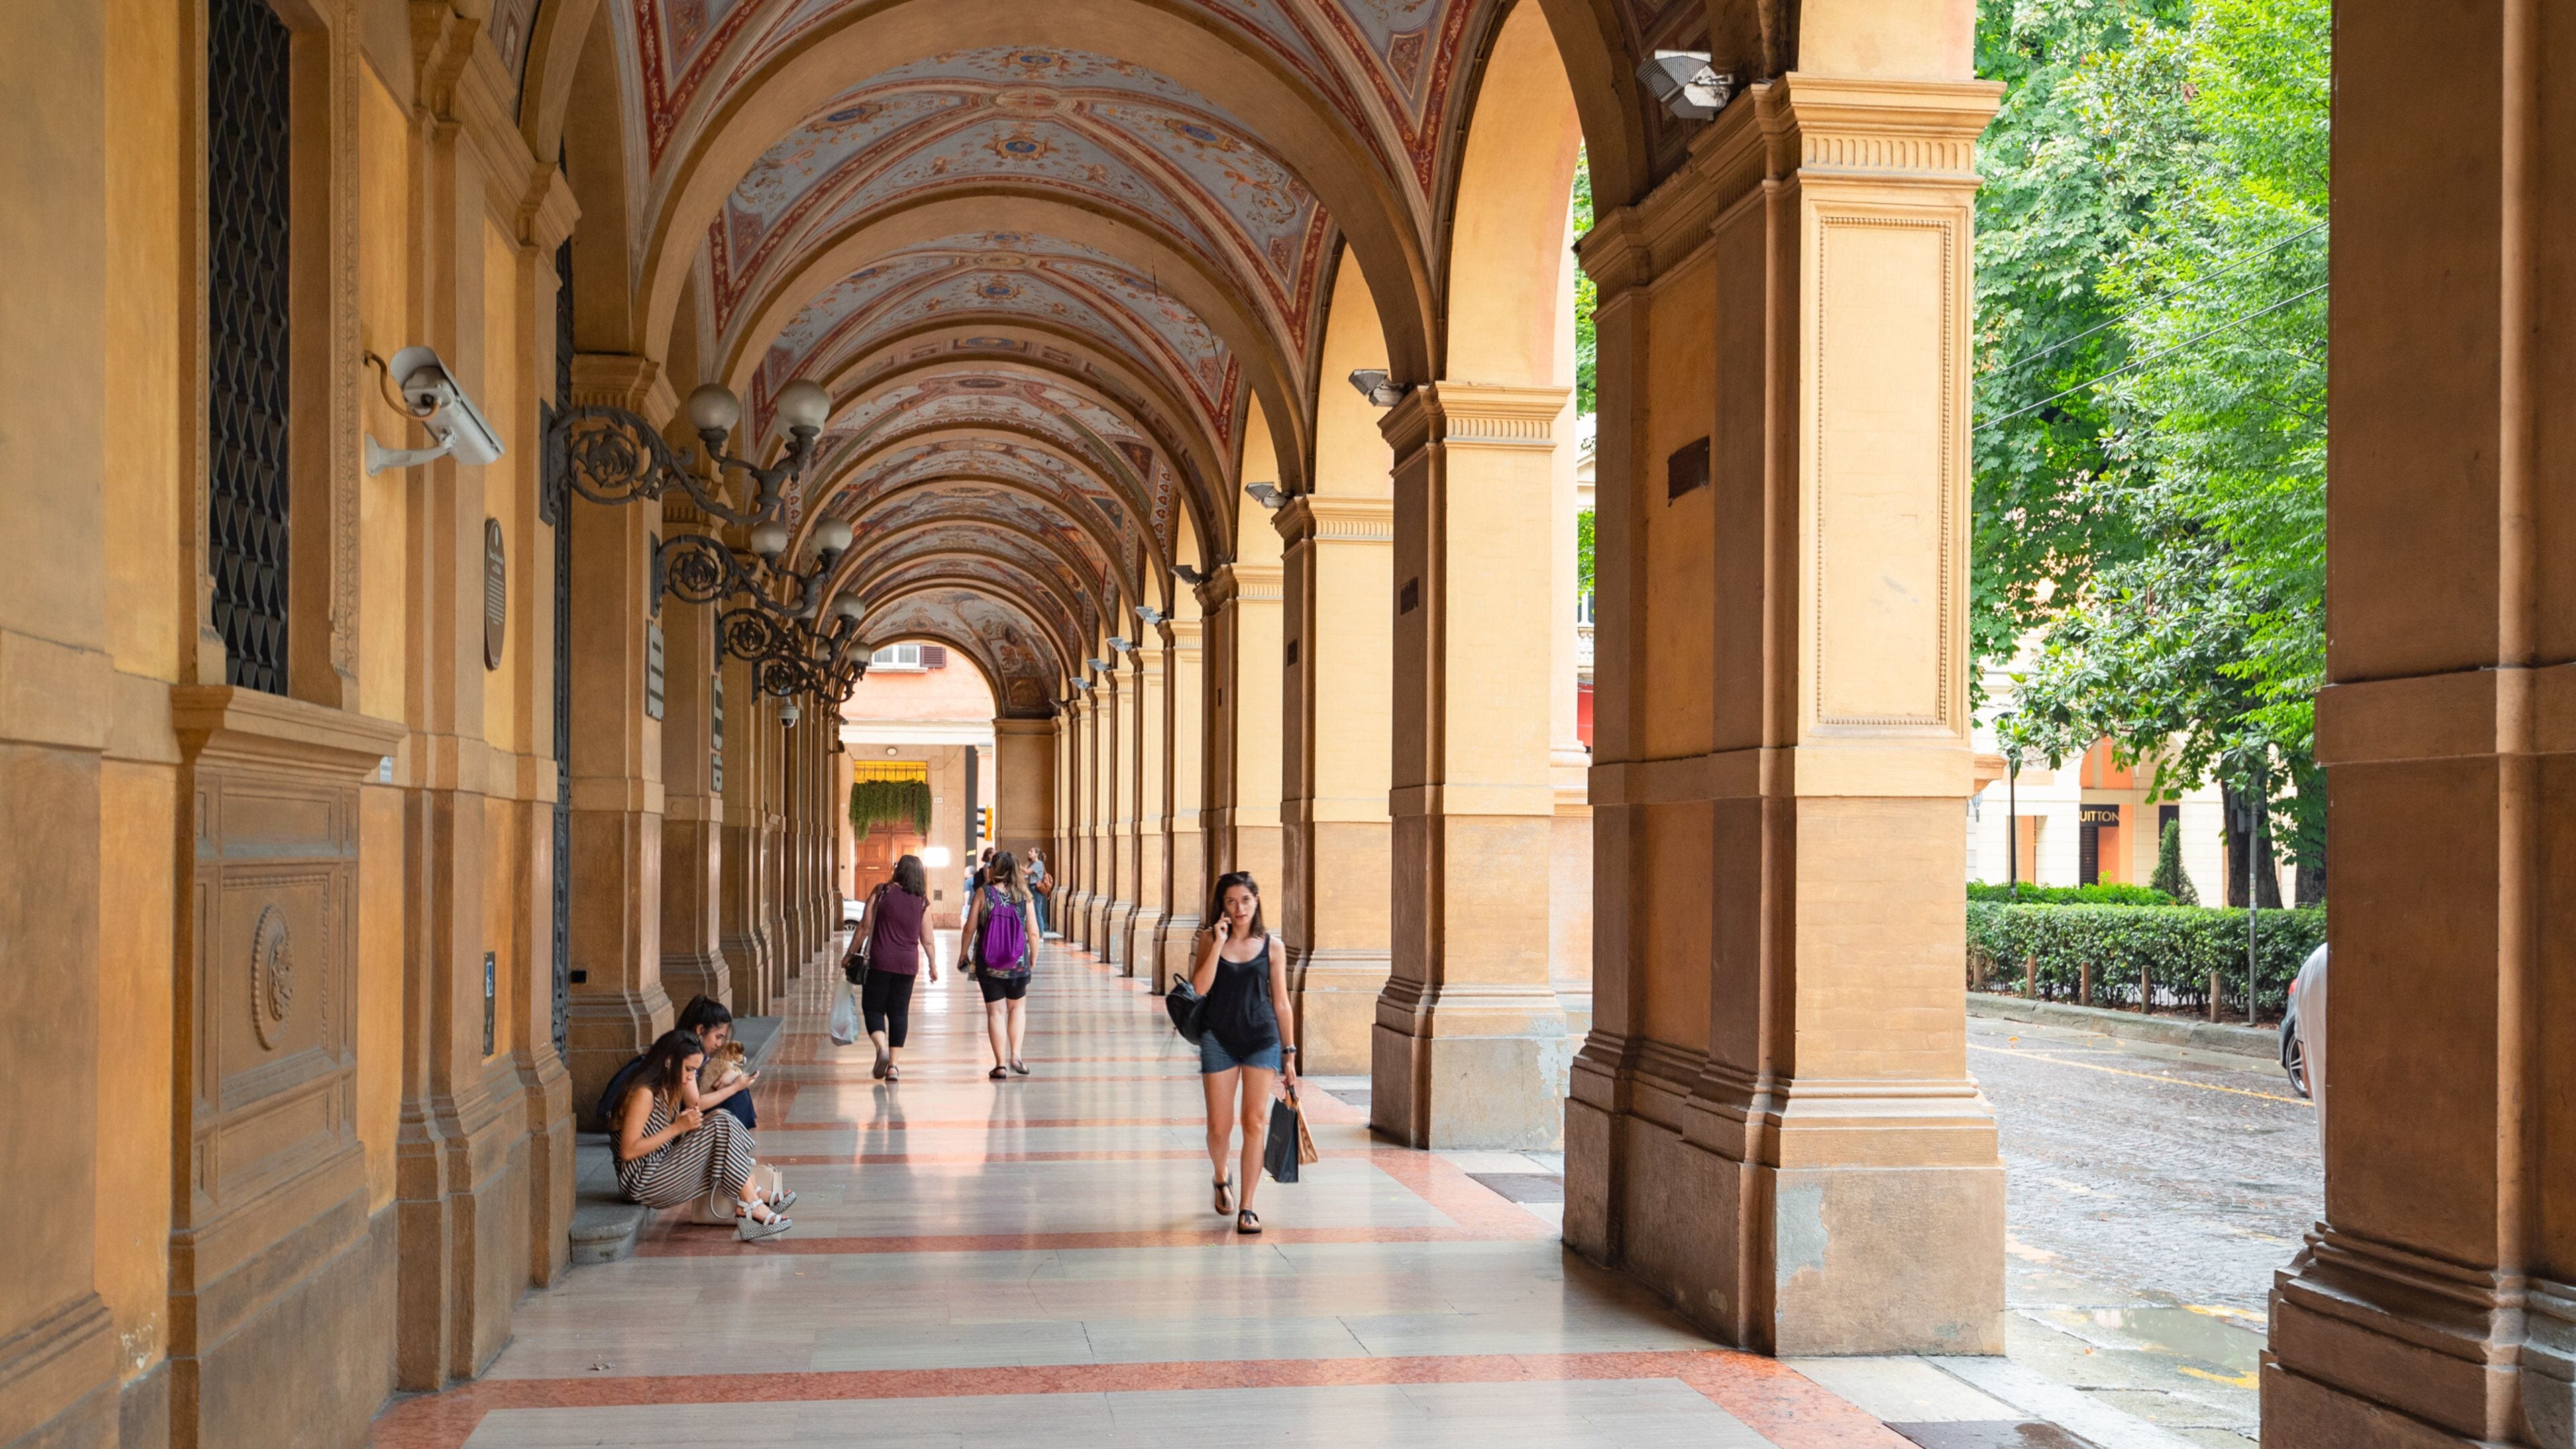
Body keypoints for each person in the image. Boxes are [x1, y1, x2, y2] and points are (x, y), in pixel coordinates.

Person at [1187, 871, 1296, 1236]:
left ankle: (1248, 1206)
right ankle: (1221, 1175)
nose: (1239, 909)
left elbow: (1281, 1002)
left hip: (1261, 1038)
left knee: (1254, 1122)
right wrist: (1218, 944)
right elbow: (1199, 989)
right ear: (1222, 906)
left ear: (1257, 900)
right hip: (1218, 1037)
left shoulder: (1272, 946)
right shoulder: (1209, 939)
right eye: (1231, 902)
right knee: (1219, 1126)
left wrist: (1290, 1053)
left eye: (1245, 900)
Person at [612, 1029, 792, 1242]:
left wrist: (688, 1127)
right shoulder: (643, 1093)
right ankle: (751, 1200)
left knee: (720, 1118)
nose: (691, 1077)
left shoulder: (665, 1088)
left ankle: (751, 1197)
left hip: (660, 1168)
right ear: (669, 1062)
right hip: (643, 1182)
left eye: (696, 1072)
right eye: (689, 1069)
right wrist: (677, 1128)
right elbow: (628, 1150)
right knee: (720, 1121)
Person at [963, 849, 1040, 1080]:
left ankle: (1000, 1065)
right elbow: (1033, 932)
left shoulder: (983, 893)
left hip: (989, 963)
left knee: (995, 1013)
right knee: (1017, 1008)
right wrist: (1032, 957)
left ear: (994, 869)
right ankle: (1016, 1055)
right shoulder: (1024, 895)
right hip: (1017, 963)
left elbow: (970, 927)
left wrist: (962, 954)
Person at [859, 853, 936, 1081]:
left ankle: (881, 1047)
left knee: (873, 1008)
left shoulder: (882, 891)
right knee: (899, 1012)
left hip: (880, 961)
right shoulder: (922, 901)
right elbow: (928, 940)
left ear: (898, 870)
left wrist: (849, 954)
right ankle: (893, 1066)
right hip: (908, 964)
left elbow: (864, 926)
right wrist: (933, 965)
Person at [675, 994, 757, 1129]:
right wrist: (735, 1087)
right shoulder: (684, 1054)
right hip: (682, 1120)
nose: (719, 1044)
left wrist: (732, 1074)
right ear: (700, 1030)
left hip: (691, 1116)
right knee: (738, 1096)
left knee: (740, 1094)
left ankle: (737, 1145)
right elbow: (694, 1104)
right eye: (718, 1037)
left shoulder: (698, 1053)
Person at [1026, 847, 1054, 938]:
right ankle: (1036, 932)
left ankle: (1041, 934)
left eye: (1031, 851)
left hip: (1037, 889)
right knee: (1034, 911)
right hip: (1032, 888)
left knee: (1037, 912)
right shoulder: (1033, 864)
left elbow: (1027, 872)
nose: (1029, 852)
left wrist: (1017, 865)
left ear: (1036, 854)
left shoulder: (1038, 864)